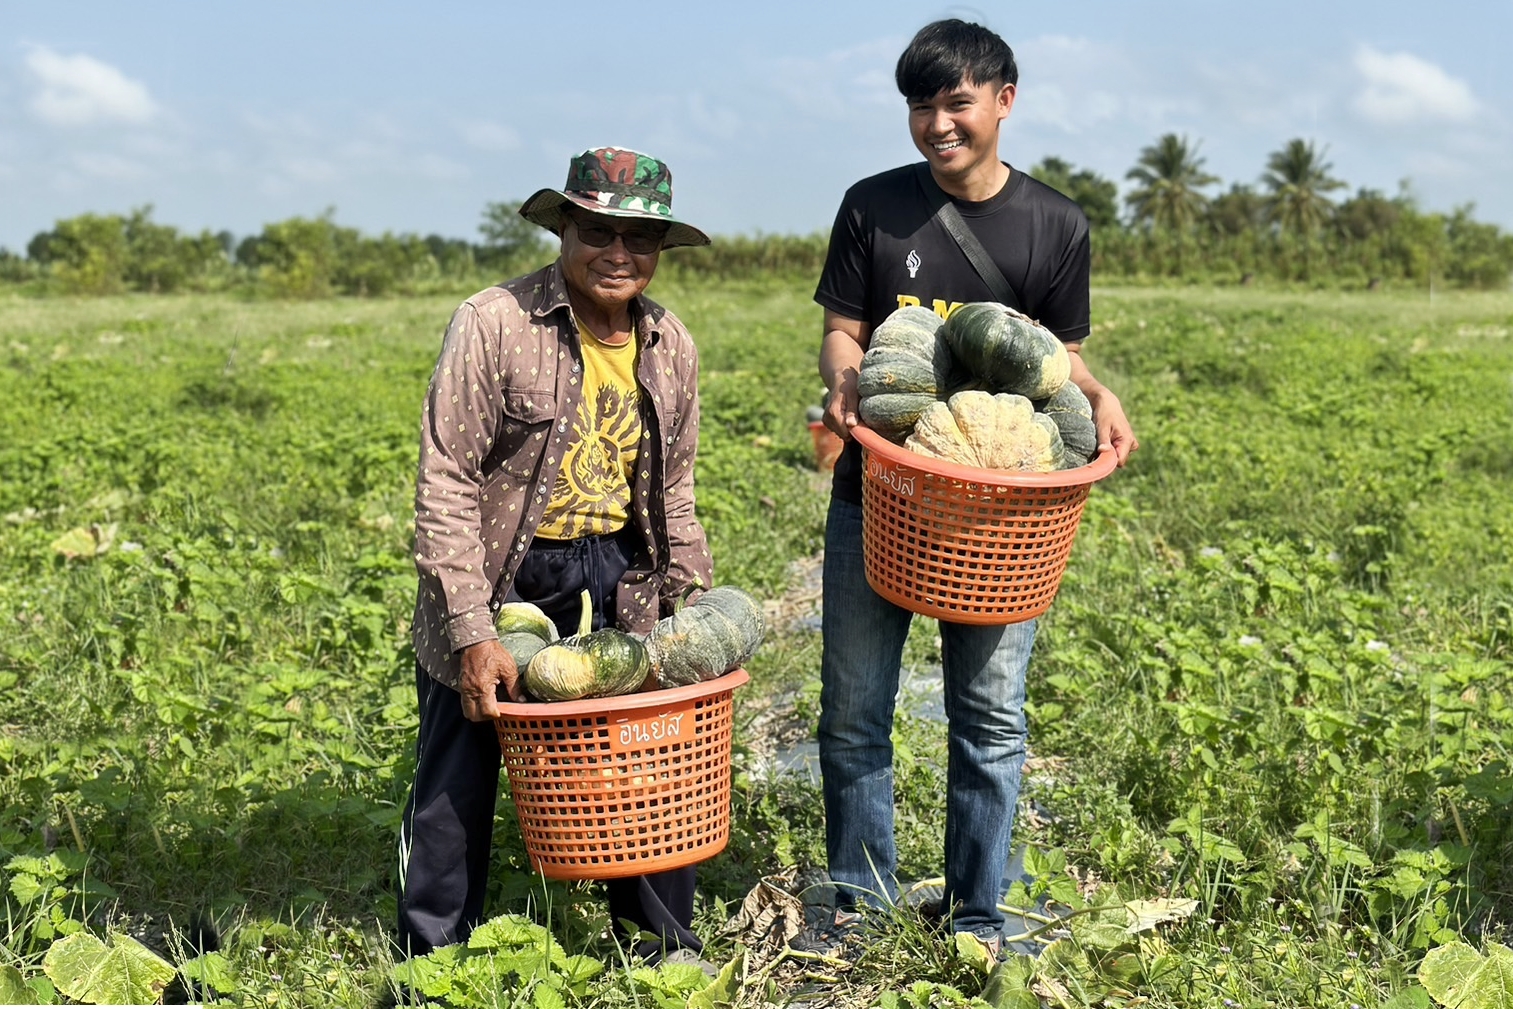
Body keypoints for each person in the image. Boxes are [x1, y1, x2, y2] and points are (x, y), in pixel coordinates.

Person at [800, 20, 1139, 957]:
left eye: (955, 102)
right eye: (920, 105)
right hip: (880, 493)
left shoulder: (1054, 224)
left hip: (995, 518)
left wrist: (1102, 396)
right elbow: (845, 327)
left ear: (1003, 101)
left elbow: (1054, 363)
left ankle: (976, 912)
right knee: (854, 711)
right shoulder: (872, 206)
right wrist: (841, 379)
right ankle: (859, 905)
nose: (937, 123)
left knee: (988, 718)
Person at [397, 147, 716, 969]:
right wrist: (472, 630)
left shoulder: (668, 341)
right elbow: (446, 481)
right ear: (563, 228)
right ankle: (434, 958)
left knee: (645, 766)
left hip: (617, 572)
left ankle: (658, 952)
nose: (618, 253)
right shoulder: (495, 321)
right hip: (505, 572)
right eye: (598, 231)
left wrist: (695, 606)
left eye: (639, 238)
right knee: (458, 772)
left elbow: (673, 490)